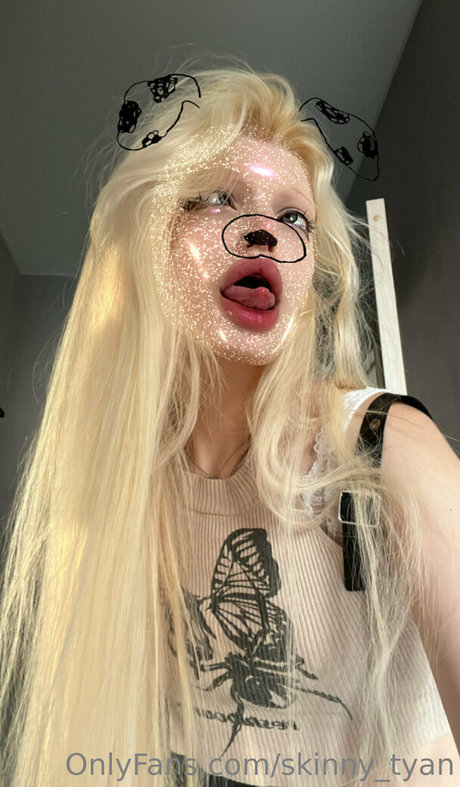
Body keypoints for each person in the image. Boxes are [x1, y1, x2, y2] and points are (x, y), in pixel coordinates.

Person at [0, 66, 459, 787]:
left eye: (295, 219)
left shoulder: (383, 445)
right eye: (216, 197)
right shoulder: (122, 475)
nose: (265, 234)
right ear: (151, 239)